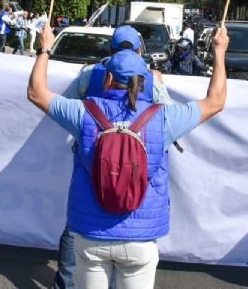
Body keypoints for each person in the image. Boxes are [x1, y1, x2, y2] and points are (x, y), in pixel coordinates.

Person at [28, 23, 228, 289]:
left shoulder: (83, 114)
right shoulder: (163, 118)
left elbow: (36, 92)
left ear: (108, 78)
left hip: (91, 233)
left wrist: (45, 49)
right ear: (144, 80)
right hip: (140, 237)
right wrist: (219, 51)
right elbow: (216, 101)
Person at [54, 25, 173, 289]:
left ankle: (64, 283)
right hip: (134, 168)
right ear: (141, 50)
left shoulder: (90, 74)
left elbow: (63, 103)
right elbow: (169, 121)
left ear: (110, 49)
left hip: (93, 159)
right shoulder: (151, 79)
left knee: (77, 230)